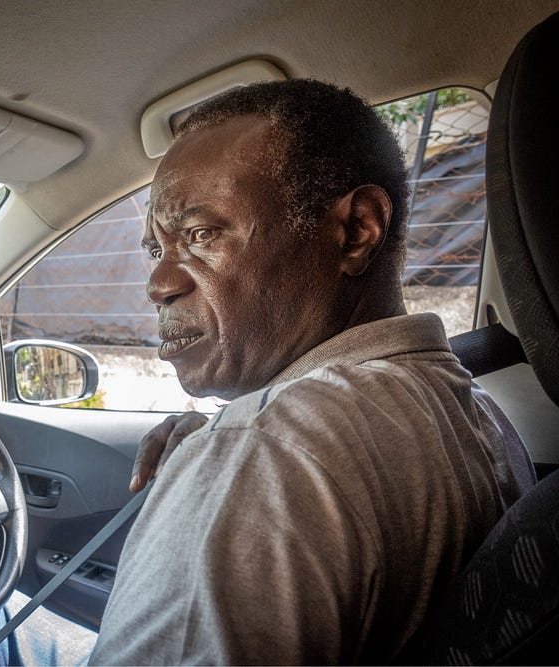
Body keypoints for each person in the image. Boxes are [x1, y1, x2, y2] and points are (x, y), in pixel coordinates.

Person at [88, 79, 534, 665]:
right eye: (156, 249)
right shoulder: (479, 412)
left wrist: (236, 450)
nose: (160, 284)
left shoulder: (264, 455)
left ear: (356, 231)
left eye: (200, 235)